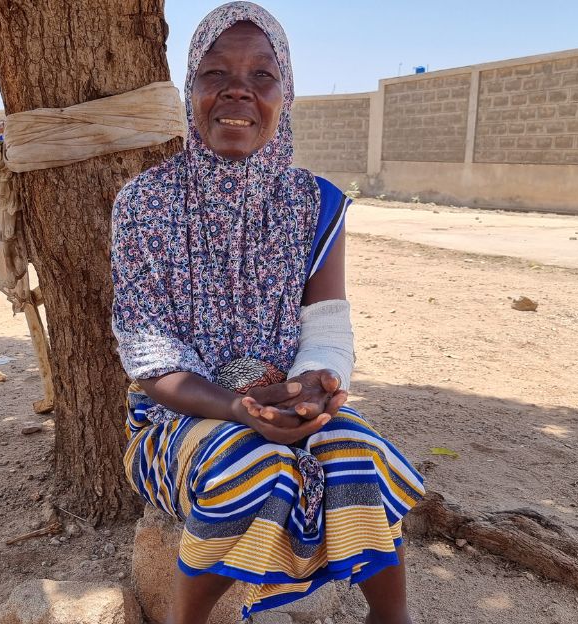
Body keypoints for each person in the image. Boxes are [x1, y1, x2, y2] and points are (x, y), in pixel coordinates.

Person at [110, 3, 425, 622]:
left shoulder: (315, 202)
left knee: (357, 451)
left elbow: (327, 323)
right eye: (216, 73)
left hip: (285, 396)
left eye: (262, 75)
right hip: (175, 412)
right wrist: (236, 407)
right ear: (190, 91)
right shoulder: (144, 203)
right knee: (251, 466)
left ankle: (392, 619)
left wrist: (313, 386)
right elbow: (150, 357)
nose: (238, 91)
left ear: (286, 94)